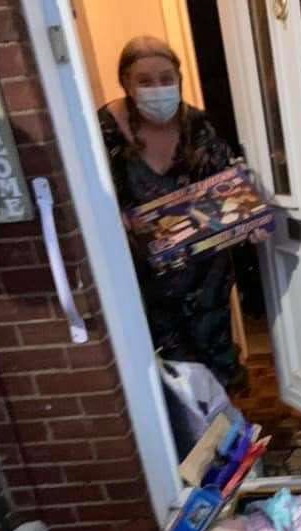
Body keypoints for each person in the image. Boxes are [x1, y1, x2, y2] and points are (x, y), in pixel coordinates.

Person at [97, 36, 246, 389]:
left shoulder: (198, 125)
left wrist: (247, 216)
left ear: (179, 79)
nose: (158, 88)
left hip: (205, 272)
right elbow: (94, 198)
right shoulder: (104, 130)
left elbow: (229, 189)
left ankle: (230, 438)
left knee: (217, 361)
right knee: (171, 373)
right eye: (145, 81)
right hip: (147, 277)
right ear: (126, 83)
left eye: (166, 78)